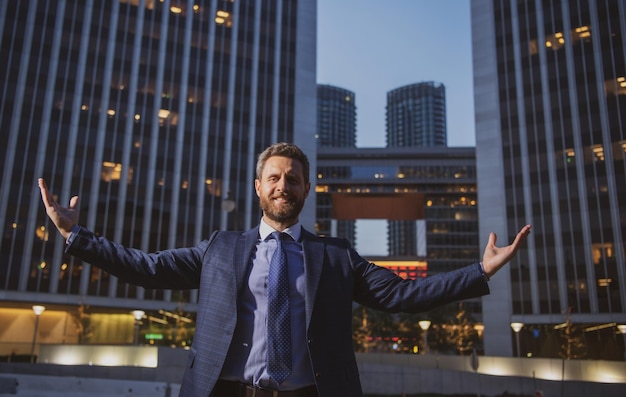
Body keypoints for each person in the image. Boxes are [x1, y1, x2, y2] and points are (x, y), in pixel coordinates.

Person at [39, 142, 532, 397]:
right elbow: (146, 268)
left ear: (305, 190)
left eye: (293, 179)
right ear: (258, 187)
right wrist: (75, 237)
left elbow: (403, 295)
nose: (283, 185)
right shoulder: (220, 247)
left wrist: (480, 271)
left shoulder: (336, 256)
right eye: (273, 178)